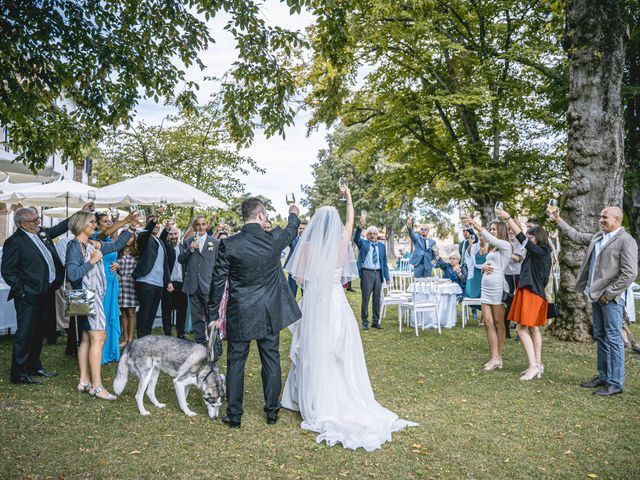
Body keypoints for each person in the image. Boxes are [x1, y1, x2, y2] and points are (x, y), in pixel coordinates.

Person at [282, 186, 416, 451]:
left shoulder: (307, 247)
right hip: (335, 303)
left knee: (313, 348)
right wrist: (349, 198)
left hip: (314, 303)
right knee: (338, 350)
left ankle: (311, 398)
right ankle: (339, 396)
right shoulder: (341, 244)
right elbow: (351, 221)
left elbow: (298, 279)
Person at [207, 197, 301, 428]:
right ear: (260, 215)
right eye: (266, 214)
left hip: (240, 310)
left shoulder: (229, 244)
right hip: (269, 311)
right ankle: (271, 412)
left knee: (236, 361)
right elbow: (291, 230)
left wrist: (212, 314)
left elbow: (217, 282)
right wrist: (293, 212)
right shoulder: (273, 240)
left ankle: (234, 415)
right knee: (271, 359)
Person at [548, 205, 638, 396]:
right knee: (600, 335)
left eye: (605, 217)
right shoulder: (598, 237)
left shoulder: (626, 240)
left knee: (613, 338)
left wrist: (609, 294)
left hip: (611, 299)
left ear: (617, 219)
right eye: (600, 216)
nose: (601, 220)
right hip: (595, 296)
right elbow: (576, 236)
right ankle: (603, 376)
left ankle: (616, 383)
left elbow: (629, 273)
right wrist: (557, 219)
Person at [2, 206, 85, 384]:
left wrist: (80, 213)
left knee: (39, 332)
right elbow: (8, 271)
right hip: (28, 295)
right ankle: (19, 373)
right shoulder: (15, 241)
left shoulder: (41, 234)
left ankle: (34, 366)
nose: (39, 222)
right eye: (35, 220)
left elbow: (61, 227)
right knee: (25, 334)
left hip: (46, 292)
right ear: (23, 224)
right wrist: (23, 290)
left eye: (38, 219)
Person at [65, 210, 136, 400]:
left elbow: (116, 245)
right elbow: (72, 274)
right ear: (81, 225)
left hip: (84, 296)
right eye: (91, 223)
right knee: (98, 337)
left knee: (87, 339)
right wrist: (93, 261)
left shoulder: (91, 243)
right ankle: (97, 387)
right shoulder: (75, 246)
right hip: (85, 296)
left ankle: (84, 381)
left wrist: (132, 227)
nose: (94, 226)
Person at [497, 209, 552, 380]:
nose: (527, 241)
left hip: (532, 294)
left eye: (531, 238)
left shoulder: (541, 252)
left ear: (539, 238)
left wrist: (508, 218)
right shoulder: (537, 254)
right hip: (531, 292)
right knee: (534, 329)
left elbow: (520, 236)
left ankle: (533, 366)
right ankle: (538, 364)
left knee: (521, 329)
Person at [461, 214, 512, 371]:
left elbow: (489, 239)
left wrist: (473, 223)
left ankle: (498, 357)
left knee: (498, 323)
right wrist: (483, 267)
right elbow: (489, 262)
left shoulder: (505, 245)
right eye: (490, 229)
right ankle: (493, 357)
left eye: (494, 229)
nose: (492, 231)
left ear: (501, 231)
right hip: (486, 288)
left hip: (498, 288)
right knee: (488, 323)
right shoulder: (493, 248)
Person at [93, 211, 138, 364]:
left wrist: (131, 228)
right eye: (105, 221)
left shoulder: (107, 240)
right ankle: (101, 351)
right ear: (97, 225)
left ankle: (112, 350)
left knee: (112, 315)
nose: (108, 224)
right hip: (102, 280)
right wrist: (125, 220)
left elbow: (117, 245)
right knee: (103, 315)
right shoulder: (96, 236)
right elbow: (107, 233)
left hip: (112, 281)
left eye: (108, 221)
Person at [179, 216, 220, 344]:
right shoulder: (187, 242)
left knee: (211, 316)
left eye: (203, 224)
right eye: (198, 225)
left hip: (208, 285)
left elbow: (219, 264)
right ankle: (200, 342)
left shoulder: (215, 242)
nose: (201, 227)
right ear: (194, 226)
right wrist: (190, 249)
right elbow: (180, 259)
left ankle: (214, 342)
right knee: (196, 316)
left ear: (206, 225)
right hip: (192, 285)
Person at [133, 210, 172, 338]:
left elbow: (164, 264)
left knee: (152, 314)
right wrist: (156, 217)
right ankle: (141, 341)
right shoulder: (143, 238)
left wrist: (168, 282)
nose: (156, 225)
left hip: (159, 283)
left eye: (157, 224)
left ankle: (147, 339)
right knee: (145, 313)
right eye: (153, 223)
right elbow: (146, 232)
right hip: (146, 281)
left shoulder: (160, 242)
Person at [353, 218, 391, 331]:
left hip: (378, 274)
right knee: (365, 298)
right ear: (367, 235)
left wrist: (387, 277)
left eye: (374, 234)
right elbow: (356, 239)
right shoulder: (363, 243)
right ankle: (365, 322)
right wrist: (360, 227)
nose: (372, 235)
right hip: (366, 273)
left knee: (377, 298)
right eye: (370, 234)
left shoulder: (381, 246)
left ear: (377, 235)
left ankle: (375, 322)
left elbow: (384, 262)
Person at [161, 224, 188, 339]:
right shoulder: (164, 247)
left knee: (182, 311)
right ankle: (167, 334)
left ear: (179, 234)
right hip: (169, 283)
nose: (173, 236)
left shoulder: (183, 248)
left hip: (182, 284)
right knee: (167, 310)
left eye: (175, 233)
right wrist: (167, 282)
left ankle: (180, 334)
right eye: (171, 234)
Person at [116, 234, 138, 347]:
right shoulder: (117, 253)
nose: (129, 239)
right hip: (120, 284)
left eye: (131, 237)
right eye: (127, 237)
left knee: (131, 312)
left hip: (131, 284)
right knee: (123, 312)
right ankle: (125, 339)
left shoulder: (136, 253)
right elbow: (111, 264)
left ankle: (130, 339)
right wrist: (116, 274)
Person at [504, 229, 526, 339]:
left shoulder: (521, 243)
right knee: (507, 301)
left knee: (519, 302)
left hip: (518, 274)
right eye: (509, 229)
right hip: (506, 274)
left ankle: (519, 330)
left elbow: (518, 258)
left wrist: (505, 252)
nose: (511, 231)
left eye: (512, 229)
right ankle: (506, 329)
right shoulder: (505, 242)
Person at [464, 235, 489, 323]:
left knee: (485, 295)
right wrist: (470, 245)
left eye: (483, 235)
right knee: (472, 296)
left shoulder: (491, 247)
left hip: (486, 273)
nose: (482, 237)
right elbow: (467, 255)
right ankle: (483, 312)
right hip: (475, 274)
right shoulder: (475, 246)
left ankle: (484, 318)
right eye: (480, 235)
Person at [286, 221, 307, 297]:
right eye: (300, 228)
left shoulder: (311, 241)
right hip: (293, 270)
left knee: (305, 294)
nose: (301, 230)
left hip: (305, 272)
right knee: (291, 294)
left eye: (304, 228)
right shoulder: (293, 239)